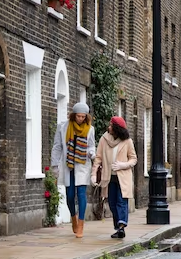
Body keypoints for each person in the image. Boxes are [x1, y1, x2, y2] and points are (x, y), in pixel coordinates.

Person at [51, 102, 96, 238]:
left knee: (81, 194)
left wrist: (91, 153)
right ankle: (73, 217)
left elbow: (91, 146)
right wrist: (54, 165)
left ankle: (81, 225)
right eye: (78, 116)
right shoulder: (63, 127)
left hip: (82, 165)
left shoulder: (90, 129)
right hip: (68, 165)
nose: (80, 119)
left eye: (83, 117)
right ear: (73, 115)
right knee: (70, 196)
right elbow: (57, 146)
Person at [91, 116, 137, 239]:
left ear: (117, 129)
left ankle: (121, 226)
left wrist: (123, 165)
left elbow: (133, 159)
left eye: (111, 126)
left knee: (121, 202)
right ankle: (118, 227)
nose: (109, 127)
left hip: (123, 177)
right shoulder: (104, 139)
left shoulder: (127, 141)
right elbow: (98, 158)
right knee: (112, 203)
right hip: (109, 177)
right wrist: (94, 174)